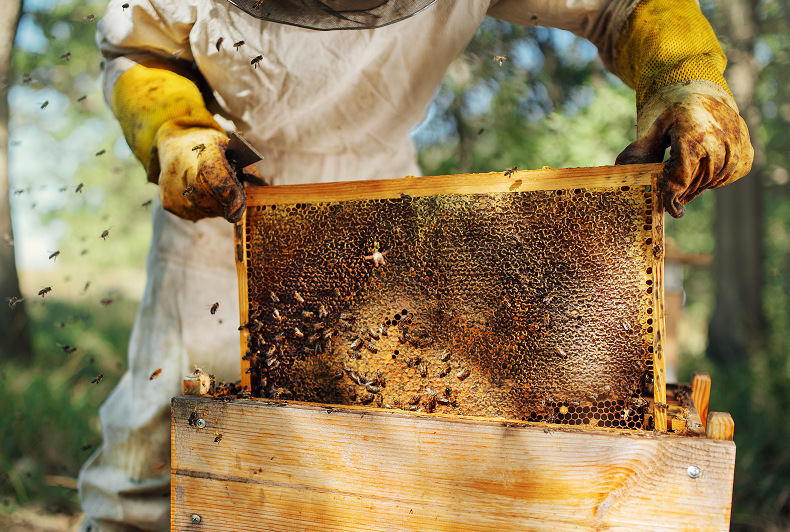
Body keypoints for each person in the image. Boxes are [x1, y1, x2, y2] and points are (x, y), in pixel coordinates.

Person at [78, 0, 753, 530]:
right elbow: (140, 46)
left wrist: (685, 79)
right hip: (226, 190)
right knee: (155, 443)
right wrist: (175, 132)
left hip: (384, 202)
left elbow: (625, 3)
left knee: (383, 438)